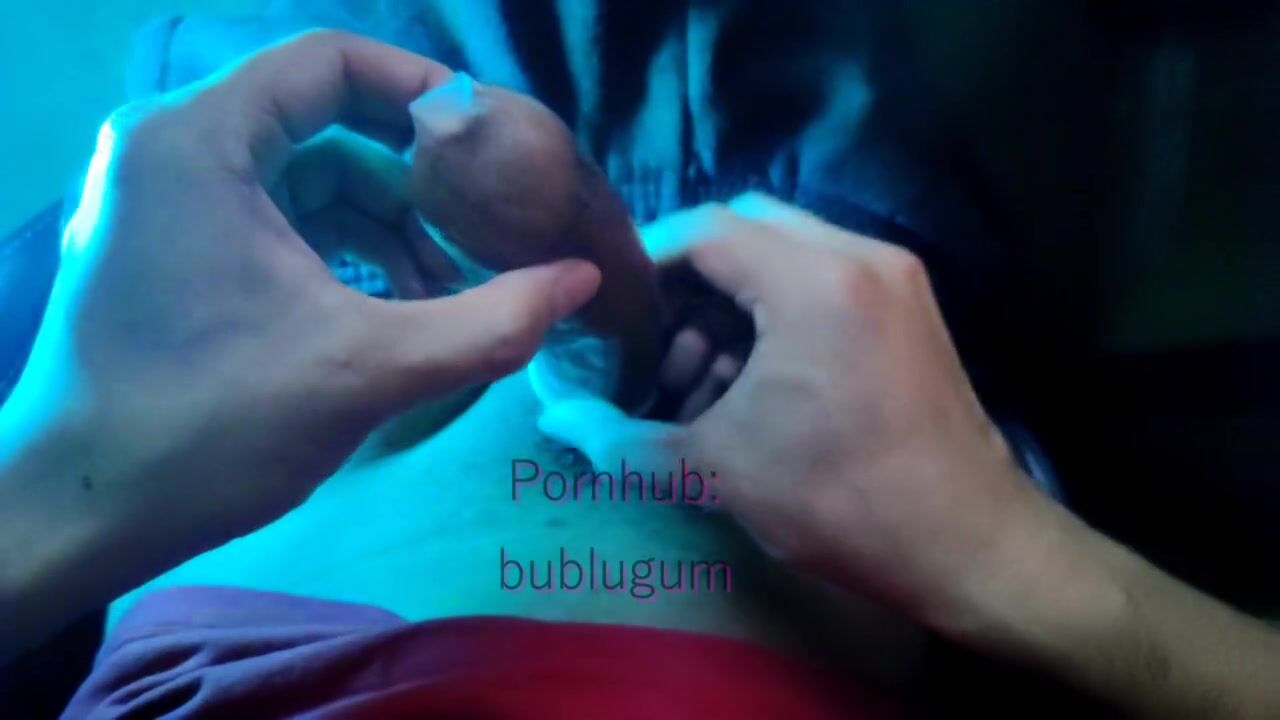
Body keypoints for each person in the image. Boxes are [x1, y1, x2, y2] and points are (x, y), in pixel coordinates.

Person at [0, 30, 1277, 719]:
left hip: (285, 384)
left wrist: (54, 487)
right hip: (846, 299)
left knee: (291, 68)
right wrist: (1012, 557)